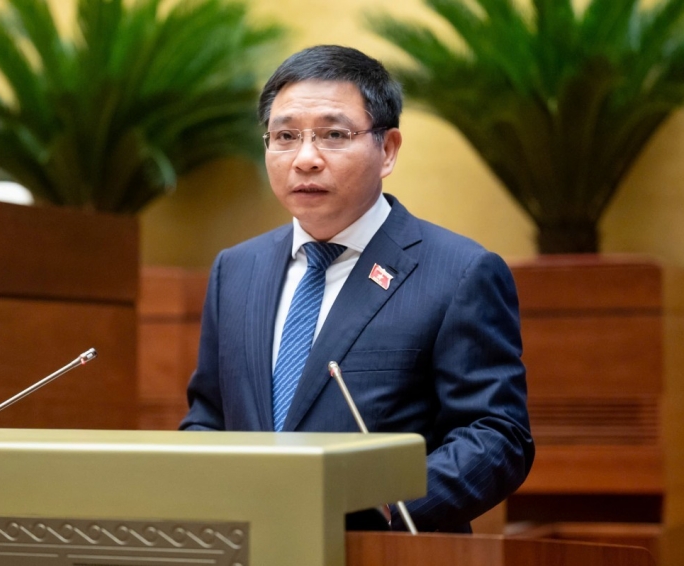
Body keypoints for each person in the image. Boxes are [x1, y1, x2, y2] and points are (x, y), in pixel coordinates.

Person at [179, 45, 534, 533]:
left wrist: (390, 504)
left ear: (387, 150)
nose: (305, 159)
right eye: (285, 136)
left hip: (383, 550)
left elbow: (496, 435)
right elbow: (209, 417)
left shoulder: (459, 273)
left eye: (333, 135)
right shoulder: (236, 270)